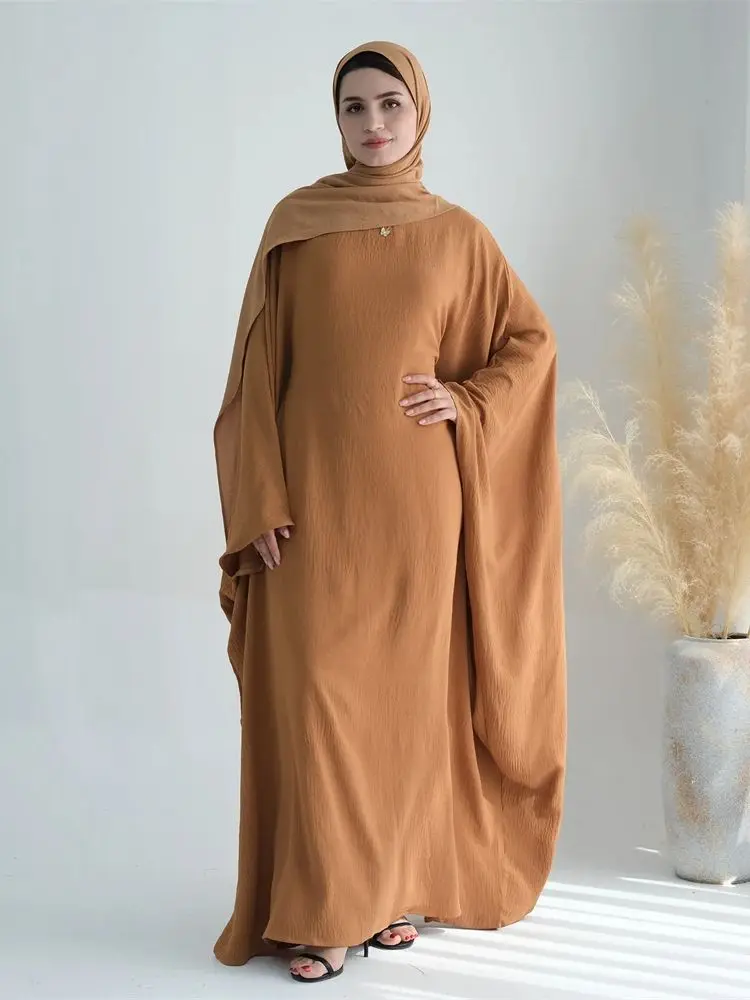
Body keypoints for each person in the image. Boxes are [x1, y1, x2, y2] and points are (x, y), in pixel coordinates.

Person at [212, 40, 567, 985]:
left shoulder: (459, 236)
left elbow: (530, 343)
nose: (374, 123)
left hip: (417, 510)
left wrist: (468, 399)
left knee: (405, 709)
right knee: (319, 698)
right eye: (355, 107)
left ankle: (390, 890)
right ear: (336, 120)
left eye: (390, 105)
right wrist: (258, 497)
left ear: (420, 114)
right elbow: (255, 376)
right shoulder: (296, 227)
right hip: (312, 508)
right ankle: (326, 909)